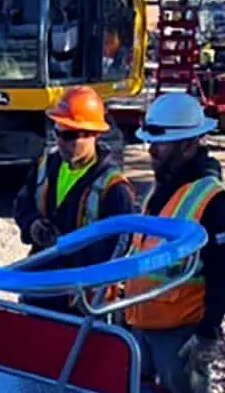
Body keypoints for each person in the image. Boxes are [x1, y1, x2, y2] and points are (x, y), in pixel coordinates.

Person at [123, 91, 225, 393]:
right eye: (151, 142)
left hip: (179, 333)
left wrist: (207, 333)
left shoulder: (214, 201)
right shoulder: (163, 189)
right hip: (140, 324)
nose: (151, 150)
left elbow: (224, 272)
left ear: (188, 146)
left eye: (161, 144)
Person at [13, 85, 135, 315]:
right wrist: (33, 224)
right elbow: (22, 205)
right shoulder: (46, 166)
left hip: (83, 304)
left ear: (94, 134)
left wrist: (66, 247)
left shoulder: (114, 189)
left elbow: (116, 250)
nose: (60, 142)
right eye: (57, 132)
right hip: (41, 289)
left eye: (69, 136)